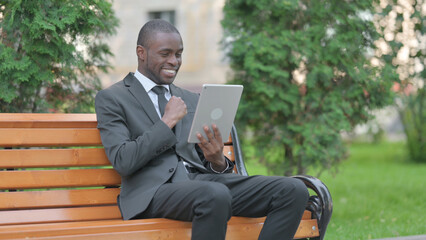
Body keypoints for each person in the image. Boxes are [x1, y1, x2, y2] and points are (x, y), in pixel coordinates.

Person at [95, 19, 308, 240]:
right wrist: (166, 122)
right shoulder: (113, 98)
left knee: (293, 190)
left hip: (202, 185)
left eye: (178, 54)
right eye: (165, 54)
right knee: (214, 195)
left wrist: (217, 161)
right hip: (152, 192)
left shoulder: (190, 99)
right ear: (141, 52)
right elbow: (123, 161)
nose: (174, 61)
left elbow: (201, 161)